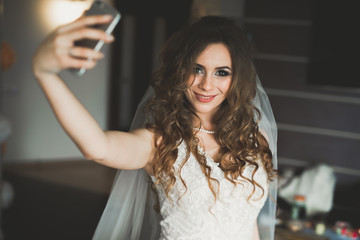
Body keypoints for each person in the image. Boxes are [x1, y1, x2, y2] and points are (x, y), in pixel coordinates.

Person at [33, 13, 278, 240]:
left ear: (238, 78)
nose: (206, 84)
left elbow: (248, 223)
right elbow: (98, 146)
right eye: (197, 69)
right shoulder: (161, 142)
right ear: (180, 71)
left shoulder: (256, 139)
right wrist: (45, 74)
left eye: (221, 73)